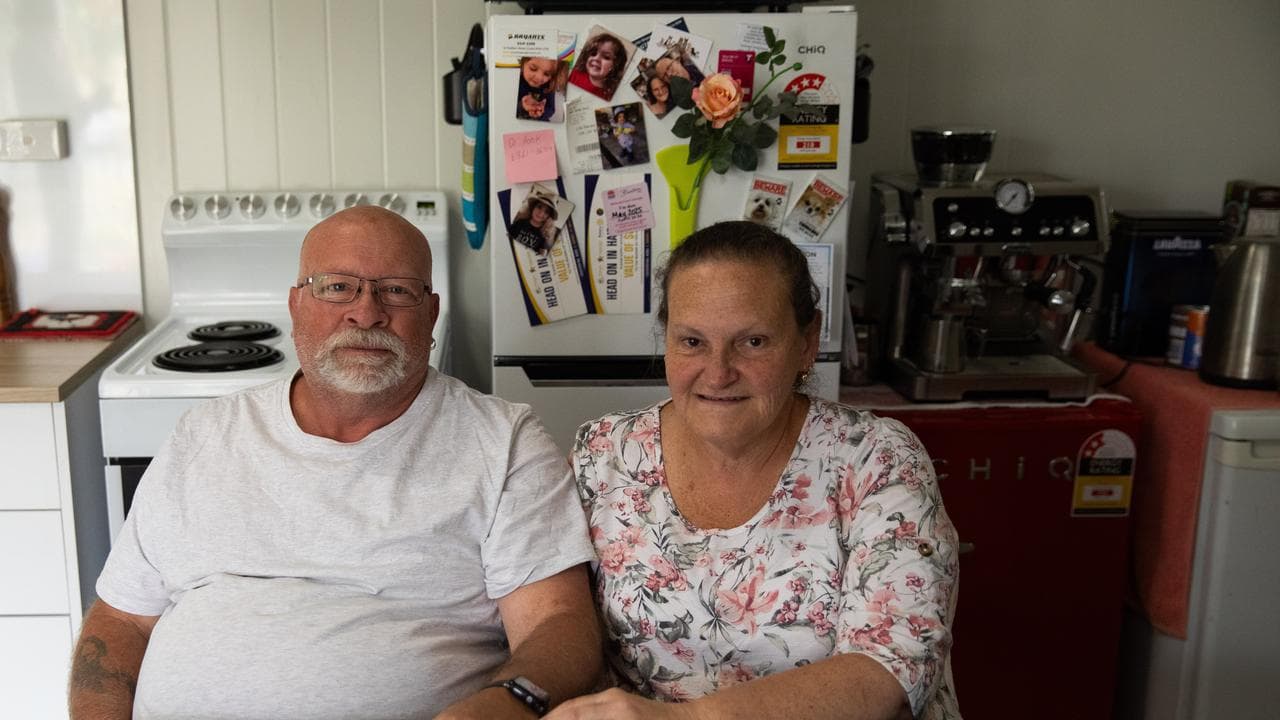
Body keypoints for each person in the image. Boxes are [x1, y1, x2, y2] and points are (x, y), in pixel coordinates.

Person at [69, 206, 602, 719]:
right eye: (337, 286)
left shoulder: (504, 441)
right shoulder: (204, 435)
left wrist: (508, 702)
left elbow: (558, 626)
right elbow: (121, 621)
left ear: (432, 313)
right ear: (296, 305)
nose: (366, 311)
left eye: (396, 290)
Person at [552, 221, 963, 720]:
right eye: (692, 341)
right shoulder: (603, 456)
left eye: (753, 342)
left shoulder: (875, 459)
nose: (719, 372)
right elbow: (559, 626)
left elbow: (892, 664)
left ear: (806, 342)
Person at [569, 31, 627, 100]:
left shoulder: (609, 96)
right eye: (593, 53)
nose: (596, 58)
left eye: (606, 57)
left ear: (615, 65)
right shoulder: (573, 74)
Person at [516, 56, 561, 122]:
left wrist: (540, 113)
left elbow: (551, 109)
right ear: (522, 64)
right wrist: (522, 106)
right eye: (533, 68)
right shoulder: (516, 80)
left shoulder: (549, 86)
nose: (539, 78)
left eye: (547, 74)